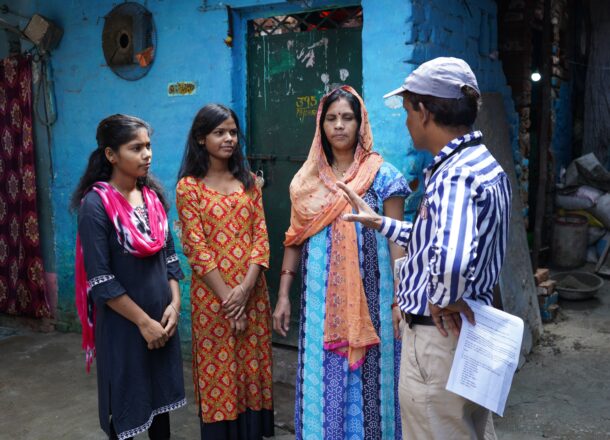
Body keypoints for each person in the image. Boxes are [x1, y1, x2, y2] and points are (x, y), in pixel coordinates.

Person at [338, 57, 512, 439]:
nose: (406, 122)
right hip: (468, 332)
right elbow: (442, 237)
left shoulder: (454, 174)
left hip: (439, 339)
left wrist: (443, 297)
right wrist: (380, 222)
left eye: (407, 111)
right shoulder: (482, 165)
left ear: (426, 111)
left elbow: (449, 260)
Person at [272, 86, 410, 439]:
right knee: (323, 378)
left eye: (347, 118)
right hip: (320, 306)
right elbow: (294, 239)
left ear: (360, 123)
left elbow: (397, 240)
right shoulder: (307, 181)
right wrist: (284, 295)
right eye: (331, 118)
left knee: (375, 383)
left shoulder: (384, 176)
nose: (339, 126)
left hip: (376, 302)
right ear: (321, 126)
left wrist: (400, 298)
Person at [72, 114, 186, 440]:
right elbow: (101, 280)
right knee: (125, 405)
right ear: (111, 155)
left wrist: (174, 306)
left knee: (160, 408)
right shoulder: (96, 206)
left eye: (148, 146)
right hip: (124, 327)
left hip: (162, 320)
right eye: (136, 148)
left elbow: (170, 259)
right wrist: (143, 322)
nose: (147, 154)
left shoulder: (152, 198)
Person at [175, 104, 274, 439]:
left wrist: (245, 292)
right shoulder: (189, 188)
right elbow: (196, 249)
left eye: (233, 132)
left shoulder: (249, 183)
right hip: (213, 303)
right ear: (201, 138)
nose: (229, 138)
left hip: (253, 295)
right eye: (220, 132)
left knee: (250, 371)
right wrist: (229, 300)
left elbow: (261, 238)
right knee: (219, 373)